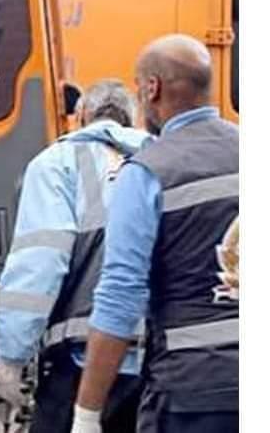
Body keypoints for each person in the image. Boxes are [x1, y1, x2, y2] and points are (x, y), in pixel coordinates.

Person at [73, 34, 239, 433]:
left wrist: (87, 415)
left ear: (153, 88)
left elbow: (120, 295)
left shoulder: (148, 172)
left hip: (192, 392)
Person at [0, 80, 150, 431]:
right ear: (133, 118)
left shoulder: (57, 164)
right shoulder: (161, 161)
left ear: (81, 116)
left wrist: (12, 355)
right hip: (156, 366)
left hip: (82, 361)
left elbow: (40, 263)